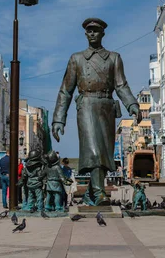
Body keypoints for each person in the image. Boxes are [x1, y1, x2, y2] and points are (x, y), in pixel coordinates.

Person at [51, 18, 142, 206]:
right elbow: (66, 90)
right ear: (85, 34)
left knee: (105, 153)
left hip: (107, 107)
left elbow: (121, 85)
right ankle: (100, 193)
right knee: (94, 150)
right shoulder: (76, 59)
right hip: (86, 105)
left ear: (103, 34)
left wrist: (132, 105)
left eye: (96, 31)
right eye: (89, 31)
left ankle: (89, 193)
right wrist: (59, 119)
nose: (92, 34)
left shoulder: (113, 58)